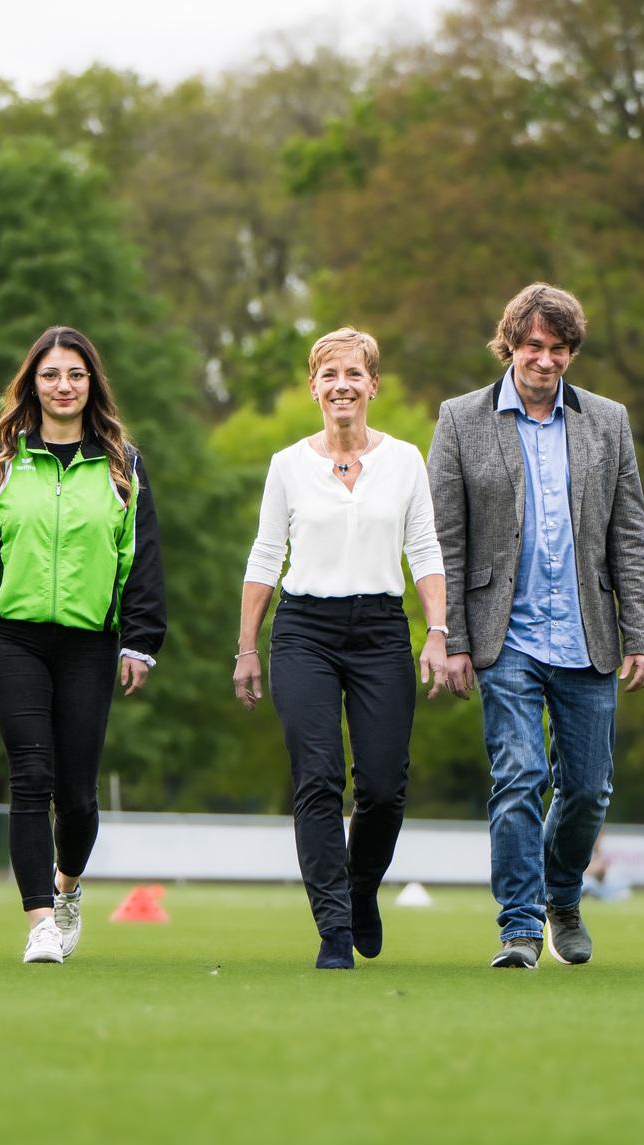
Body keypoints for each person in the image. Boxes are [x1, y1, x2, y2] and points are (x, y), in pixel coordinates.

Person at [429, 283, 644, 969]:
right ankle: (520, 925)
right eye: (533, 346)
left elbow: (629, 536)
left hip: (587, 633)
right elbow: (444, 539)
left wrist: (641, 633)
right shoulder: (461, 420)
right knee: (520, 774)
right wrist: (453, 639)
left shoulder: (607, 422)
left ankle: (562, 894)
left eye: (559, 349)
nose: (546, 360)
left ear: (572, 352)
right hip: (504, 635)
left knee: (588, 790)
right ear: (510, 345)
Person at [0, 326, 165, 965]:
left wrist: (141, 640)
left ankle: (67, 888)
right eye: (50, 375)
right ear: (31, 385)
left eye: (75, 375)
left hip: (90, 641)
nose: (63, 386)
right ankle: (40, 920)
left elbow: (140, 557)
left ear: (92, 384)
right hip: (9, 635)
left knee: (78, 796)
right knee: (30, 776)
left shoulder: (123, 464)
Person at [235, 328, 451, 969]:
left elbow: (425, 550)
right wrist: (246, 647)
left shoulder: (405, 461)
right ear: (314, 387)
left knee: (383, 785)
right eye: (329, 375)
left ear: (372, 385)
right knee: (319, 776)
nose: (342, 386)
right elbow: (266, 555)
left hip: (381, 630)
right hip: (304, 631)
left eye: (353, 374)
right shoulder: (287, 466)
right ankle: (333, 928)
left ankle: (360, 890)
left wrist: (438, 633)